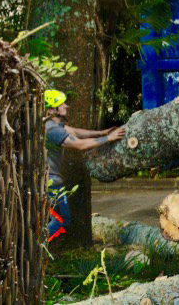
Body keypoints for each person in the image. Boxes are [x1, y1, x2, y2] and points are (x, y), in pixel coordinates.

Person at [44, 89, 125, 243]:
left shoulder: (52, 125)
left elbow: (76, 132)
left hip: (51, 182)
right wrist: (109, 138)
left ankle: (38, 248)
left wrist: (101, 132)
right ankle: (37, 248)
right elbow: (79, 144)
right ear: (51, 109)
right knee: (61, 221)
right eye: (61, 104)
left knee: (54, 220)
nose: (66, 106)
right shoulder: (52, 129)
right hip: (51, 184)